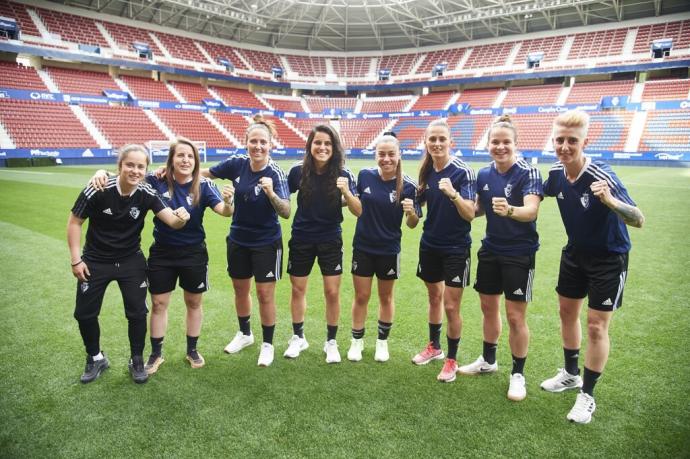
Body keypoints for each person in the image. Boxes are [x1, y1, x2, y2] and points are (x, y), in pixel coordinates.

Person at [88, 138, 234, 374]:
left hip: (194, 253)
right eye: (180, 155)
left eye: (190, 156)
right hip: (162, 253)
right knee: (158, 304)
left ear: (196, 161)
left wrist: (229, 203)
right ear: (171, 159)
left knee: (194, 302)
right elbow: (129, 174)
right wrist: (100, 171)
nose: (185, 160)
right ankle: (156, 354)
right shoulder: (156, 180)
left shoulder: (204, 185)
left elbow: (225, 212)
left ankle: (192, 349)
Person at [541, 110, 644, 424]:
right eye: (560, 140)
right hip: (574, 254)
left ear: (585, 141)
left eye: (572, 141)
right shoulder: (557, 175)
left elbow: (638, 219)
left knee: (597, 326)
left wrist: (611, 202)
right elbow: (534, 191)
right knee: (566, 314)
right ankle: (570, 374)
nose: (565, 146)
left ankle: (587, 394)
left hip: (609, 258)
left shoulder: (601, 173)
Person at [67, 144, 190, 384]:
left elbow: (171, 222)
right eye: (130, 165)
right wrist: (76, 260)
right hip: (95, 261)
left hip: (130, 260)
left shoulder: (146, 192)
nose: (135, 170)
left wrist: (181, 219)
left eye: (140, 166)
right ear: (120, 166)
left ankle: (136, 359)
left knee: (137, 312)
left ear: (146, 169)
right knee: (84, 314)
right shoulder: (98, 188)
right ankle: (95, 357)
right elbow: (74, 223)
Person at [456, 115, 543, 402]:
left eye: (506, 142)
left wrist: (510, 211)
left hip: (519, 252)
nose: (500, 147)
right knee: (487, 307)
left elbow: (531, 211)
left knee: (516, 316)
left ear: (516, 145)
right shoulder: (483, 175)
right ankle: (488, 360)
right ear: (488, 144)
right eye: (495, 141)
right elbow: (478, 210)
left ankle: (518, 374)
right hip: (491, 249)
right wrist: (458, 201)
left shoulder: (528, 172)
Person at [208, 115, 290, 368]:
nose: (258, 146)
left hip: (266, 242)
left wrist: (271, 193)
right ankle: (245, 334)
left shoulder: (275, 172)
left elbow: (286, 211)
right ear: (246, 143)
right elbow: (203, 173)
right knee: (240, 290)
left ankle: (267, 344)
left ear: (270, 145)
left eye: (263, 142)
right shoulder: (237, 164)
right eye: (253, 141)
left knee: (265, 295)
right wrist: (172, 171)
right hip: (238, 240)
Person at [283, 124, 361, 364]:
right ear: (310, 145)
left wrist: (346, 193)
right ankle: (298, 337)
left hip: (330, 239)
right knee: (298, 289)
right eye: (318, 143)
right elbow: (282, 196)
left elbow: (358, 210)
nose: (322, 147)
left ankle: (331, 341)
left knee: (332, 291)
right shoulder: (297, 171)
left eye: (327, 143)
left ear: (334, 147)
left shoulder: (344, 173)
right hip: (302, 238)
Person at [411, 119, 476, 383]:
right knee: (434, 298)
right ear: (426, 142)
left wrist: (453, 194)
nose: (437, 143)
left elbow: (470, 213)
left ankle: (451, 359)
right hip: (430, 244)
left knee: (451, 305)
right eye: (432, 139)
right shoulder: (426, 171)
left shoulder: (462, 172)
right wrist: (412, 207)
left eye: (441, 139)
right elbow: (421, 205)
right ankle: (434, 347)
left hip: (456, 248)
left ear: (451, 142)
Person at [347, 132, 421, 362]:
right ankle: (356, 342)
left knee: (386, 297)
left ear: (399, 156)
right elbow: (356, 208)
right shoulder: (365, 176)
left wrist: (410, 212)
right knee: (361, 296)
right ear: (375, 155)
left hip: (389, 249)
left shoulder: (408, 185)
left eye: (391, 154)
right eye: (382, 154)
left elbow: (412, 224)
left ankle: (382, 342)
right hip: (363, 246)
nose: (386, 159)